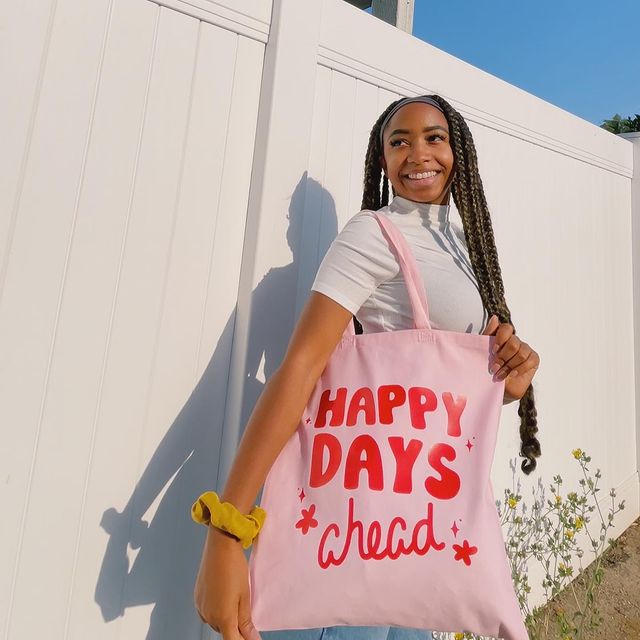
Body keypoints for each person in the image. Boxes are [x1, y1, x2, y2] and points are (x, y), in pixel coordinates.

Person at [193, 94, 541, 640]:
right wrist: (227, 533)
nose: (416, 152)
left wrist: (511, 379)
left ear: (460, 152)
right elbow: (300, 370)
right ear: (381, 160)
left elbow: (435, 393)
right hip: (363, 521)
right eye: (398, 141)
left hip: (422, 516)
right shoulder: (374, 233)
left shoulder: (461, 242)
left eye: (434, 137)